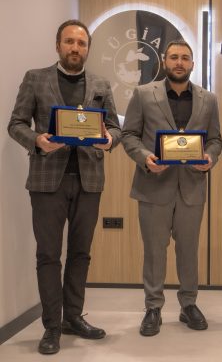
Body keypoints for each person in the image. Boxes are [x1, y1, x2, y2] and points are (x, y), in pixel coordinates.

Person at [7, 19, 121, 355]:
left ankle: (73, 317)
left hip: (89, 180)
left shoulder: (101, 83)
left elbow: (114, 127)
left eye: (81, 43)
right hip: (47, 181)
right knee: (48, 255)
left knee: (81, 253)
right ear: (58, 45)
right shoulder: (35, 78)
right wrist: (37, 140)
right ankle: (51, 327)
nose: (75, 48)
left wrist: (109, 140)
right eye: (69, 42)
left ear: (88, 49)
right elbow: (16, 123)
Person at [121, 39, 222, 337]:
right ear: (164, 61)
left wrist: (210, 158)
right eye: (174, 57)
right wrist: (145, 158)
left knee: (189, 250)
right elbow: (129, 135)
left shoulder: (208, 99)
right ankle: (153, 307)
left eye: (185, 58)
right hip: (153, 185)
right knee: (154, 250)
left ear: (193, 64)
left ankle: (188, 304)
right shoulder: (143, 94)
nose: (179, 62)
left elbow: (215, 139)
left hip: (192, 186)